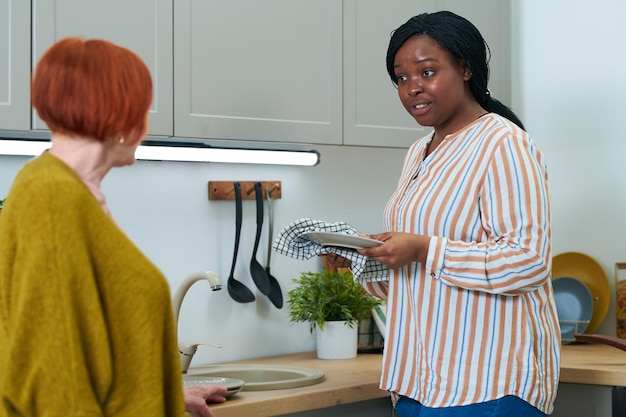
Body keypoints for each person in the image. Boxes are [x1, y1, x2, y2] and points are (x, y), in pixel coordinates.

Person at [329, 11, 560, 417]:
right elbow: (420, 283)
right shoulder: (419, 153)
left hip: (488, 382)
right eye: (401, 78)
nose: (412, 88)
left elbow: (528, 263)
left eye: (427, 72)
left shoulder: (503, 144)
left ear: (466, 68)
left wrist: (422, 249)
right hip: (419, 379)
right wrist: (363, 259)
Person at [0, 37, 226, 416]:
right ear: (116, 112)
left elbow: (101, 346)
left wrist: (163, 394)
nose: (145, 123)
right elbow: (54, 370)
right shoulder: (52, 196)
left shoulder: (72, 191)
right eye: (141, 107)